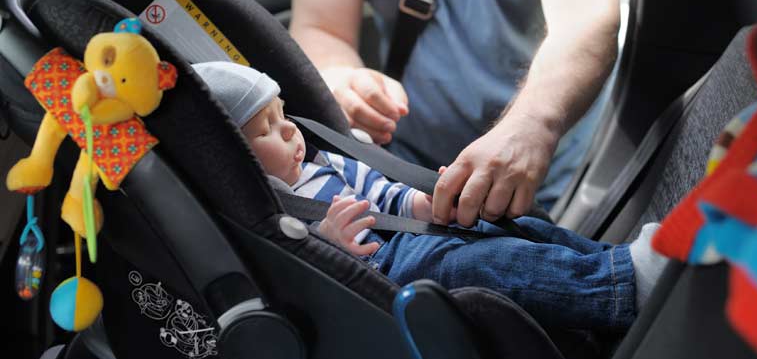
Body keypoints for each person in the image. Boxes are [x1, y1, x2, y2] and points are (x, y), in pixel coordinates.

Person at [192, 61, 666, 329]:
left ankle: (616, 261)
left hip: (413, 233)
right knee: (482, 266)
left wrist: (428, 203)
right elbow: (308, 270)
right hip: (386, 268)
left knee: (517, 228)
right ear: (237, 158)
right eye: (267, 130)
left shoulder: (324, 163)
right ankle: (618, 290)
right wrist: (333, 242)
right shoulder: (272, 211)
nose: (291, 131)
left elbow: (381, 193)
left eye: (283, 115)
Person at [288, 0, 622, 229]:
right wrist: (340, 76)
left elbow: (586, 18)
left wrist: (533, 123)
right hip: (413, 170)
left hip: (554, 170)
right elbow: (321, 28)